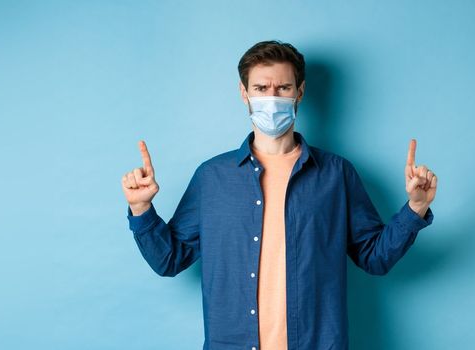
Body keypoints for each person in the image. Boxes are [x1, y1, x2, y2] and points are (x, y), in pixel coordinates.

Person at [119, 40, 437, 350]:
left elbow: (374, 257)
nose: (271, 98)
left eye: (283, 88)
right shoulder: (212, 177)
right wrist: (141, 209)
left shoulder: (336, 174)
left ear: (299, 92)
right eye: (261, 89)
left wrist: (415, 208)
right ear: (244, 93)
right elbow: (168, 260)